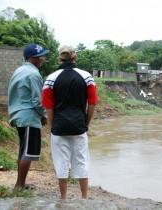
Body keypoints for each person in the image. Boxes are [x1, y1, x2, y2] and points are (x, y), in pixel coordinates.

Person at [42, 46, 98, 199]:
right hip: (79, 127)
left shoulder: (51, 79)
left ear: (60, 59)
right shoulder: (87, 77)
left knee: (61, 163)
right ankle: (84, 197)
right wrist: (86, 123)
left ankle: (63, 198)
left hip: (59, 128)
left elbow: (48, 106)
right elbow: (92, 103)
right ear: (75, 57)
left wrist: (53, 126)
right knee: (81, 161)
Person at [8, 43, 49, 190]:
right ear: (33, 58)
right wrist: (44, 116)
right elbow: (37, 101)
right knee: (27, 153)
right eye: (41, 56)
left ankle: (20, 183)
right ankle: (19, 186)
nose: (43, 59)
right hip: (29, 117)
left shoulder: (19, 70)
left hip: (18, 115)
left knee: (23, 151)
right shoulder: (34, 74)